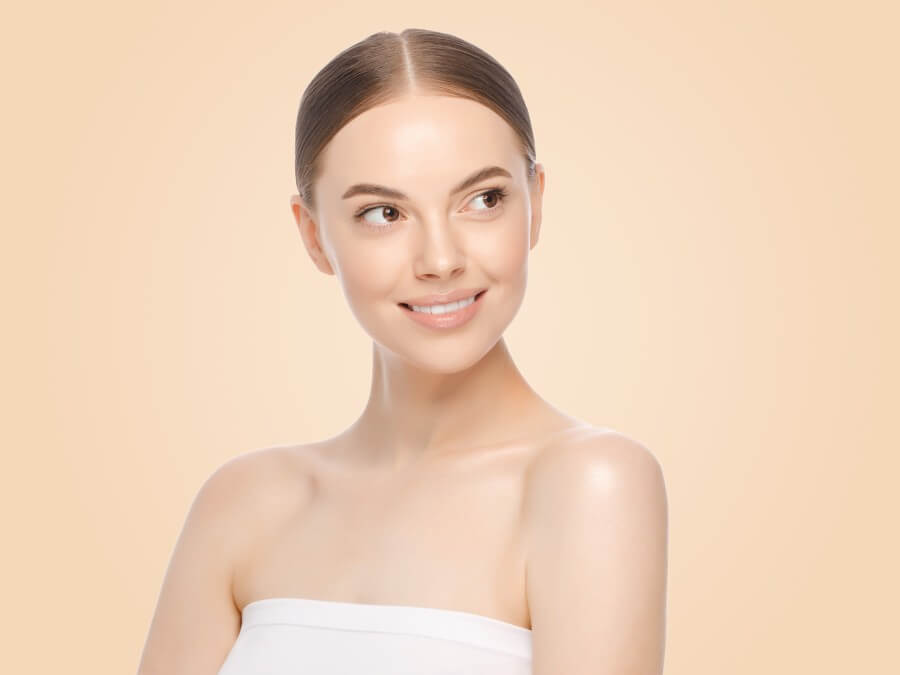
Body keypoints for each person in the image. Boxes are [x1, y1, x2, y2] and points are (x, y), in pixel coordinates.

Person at [137, 27, 668, 675]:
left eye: (483, 199)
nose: (441, 260)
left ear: (534, 206)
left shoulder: (589, 484)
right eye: (384, 213)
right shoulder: (243, 503)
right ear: (313, 236)